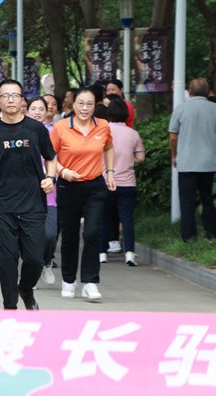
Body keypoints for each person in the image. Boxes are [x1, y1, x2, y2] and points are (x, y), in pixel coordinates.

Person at [0, 80, 57, 310]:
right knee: (7, 259)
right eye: (5, 96)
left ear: (22, 101)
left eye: (15, 96)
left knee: (34, 258)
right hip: (1, 202)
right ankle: (9, 306)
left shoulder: (36, 129)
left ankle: (25, 289)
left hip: (33, 201)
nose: (10, 100)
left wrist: (50, 177)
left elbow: (52, 157)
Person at [50, 87, 116, 302]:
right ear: (73, 105)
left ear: (95, 105)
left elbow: (108, 148)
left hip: (95, 186)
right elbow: (49, 156)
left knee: (91, 233)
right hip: (69, 187)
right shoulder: (61, 127)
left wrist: (110, 171)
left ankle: (90, 282)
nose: (85, 108)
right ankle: (69, 280)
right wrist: (62, 171)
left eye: (89, 104)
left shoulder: (103, 126)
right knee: (69, 235)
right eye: (81, 103)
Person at [169, 77, 216, 242]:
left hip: (186, 162)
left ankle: (189, 236)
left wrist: (175, 155)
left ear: (190, 91)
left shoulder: (180, 108)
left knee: (187, 201)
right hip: (208, 162)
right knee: (207, 197)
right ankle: (210, 232)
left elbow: (173, 137)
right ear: (208, 92)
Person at [102, 97, 145, 266]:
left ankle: (101, 254)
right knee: (126, 218)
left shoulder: (103, 131)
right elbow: (141, 157)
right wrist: (128, 159)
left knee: (104, 218)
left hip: (106, 181)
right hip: (128, 183)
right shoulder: (133, 133)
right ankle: (129, 254)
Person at [27, 97, 58, 285]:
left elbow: (57, 158)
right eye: (34, 108)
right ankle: (33, 273)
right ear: (27, 111)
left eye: (41, 109)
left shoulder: (54, 132)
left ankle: (47, 262)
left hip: (49, 191)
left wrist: (53, 176)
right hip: (25, 192)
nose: (37, 112)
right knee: (29, 236)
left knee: (49, 235)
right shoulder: (19, 131)